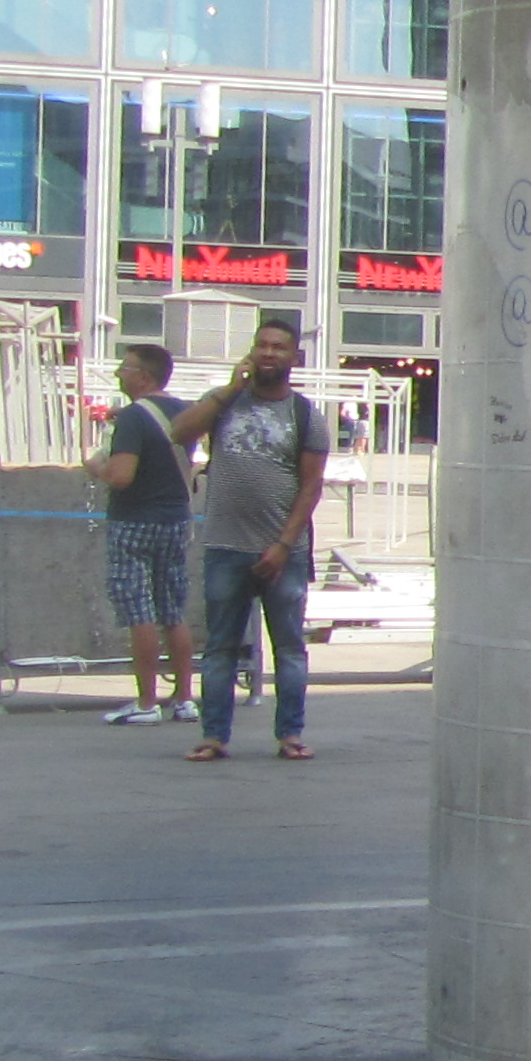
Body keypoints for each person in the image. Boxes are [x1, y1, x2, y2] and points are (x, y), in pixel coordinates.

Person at [169, 318, 331, 762]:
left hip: (284, 552)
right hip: (225, 546)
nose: (268, 353)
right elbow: (179, 434)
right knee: (220, 646)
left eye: (279, 347)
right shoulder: (226, 404)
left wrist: (283, 545)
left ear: (294, 358)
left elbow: (311, 486)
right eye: (261, 345)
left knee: (289, 647)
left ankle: (290, 735)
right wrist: (226, 389)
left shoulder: (305, 415)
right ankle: (214, 735)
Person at [84, 343, 199, 725]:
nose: (120, 374)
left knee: (139, 611)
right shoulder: (184, 411)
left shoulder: (134, 419)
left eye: (126, 369)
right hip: (176, 520)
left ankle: (146, 702)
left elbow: (121, 476)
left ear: (145, 376)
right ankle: (184, 698)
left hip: (135, 521)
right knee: (172, 611)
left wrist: (94, 465)